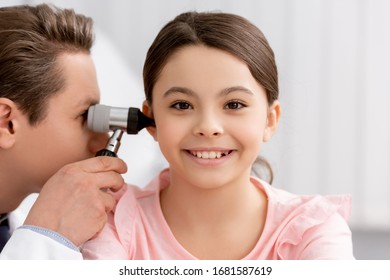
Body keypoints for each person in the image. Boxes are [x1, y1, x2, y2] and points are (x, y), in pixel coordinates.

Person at [82, 11, 354, 260]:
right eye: (182, 105)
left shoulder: (313, 231)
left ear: (270, 121)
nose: (208, 126)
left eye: (234, 105)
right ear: (151, 121)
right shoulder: (113, 222)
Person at [0, 4, 127, 259]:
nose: (101, 140)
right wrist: (48, 236)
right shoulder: (45, 234)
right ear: (7, 123)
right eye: (84, 116)